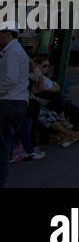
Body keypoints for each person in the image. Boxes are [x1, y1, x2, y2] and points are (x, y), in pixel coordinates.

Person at [1, 26, 31, 187]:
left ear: (6, 34)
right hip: (17, 101)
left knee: (2, 145)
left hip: (9, 101)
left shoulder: (12, 52)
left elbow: (10, 79)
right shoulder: (15, 50)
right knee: (4, 143)